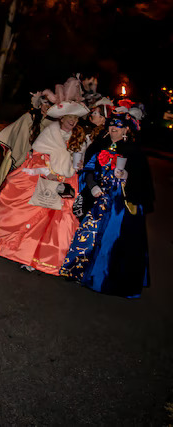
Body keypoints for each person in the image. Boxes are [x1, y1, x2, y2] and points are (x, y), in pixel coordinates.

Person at [0, 80, 89, 275]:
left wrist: (78, 165)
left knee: (57, 222)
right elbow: (36, 155)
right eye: (69, 117)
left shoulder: (79, 137)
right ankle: (23, 252)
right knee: (35, 216)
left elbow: (79, 160)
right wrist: (48, 171)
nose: (72, 121)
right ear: (62, 118)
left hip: (67, 182)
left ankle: (41, 258)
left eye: (75, 118)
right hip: (46, 178)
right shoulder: (50, 132)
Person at [60, 108, 154, 297]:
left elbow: (141, 181)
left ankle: (106, 280)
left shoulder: (135, 152)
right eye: (111, 125)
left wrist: (126, 176)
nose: (113, 129)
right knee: (88, 233)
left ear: (126, 130)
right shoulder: (99, 145)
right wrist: (92, 185)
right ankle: (78, 271)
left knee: (113, 239)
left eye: (118, 127)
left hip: (121, 204)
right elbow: (87, 169)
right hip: (98, 199)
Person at [0, 91, 52, 193]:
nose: (47, 107)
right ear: (40, 103)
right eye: (45, 103)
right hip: (22, 161)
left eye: (51, 104)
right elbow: (19, 142)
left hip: (42, 165)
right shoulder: (28, 118)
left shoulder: (54, 123)